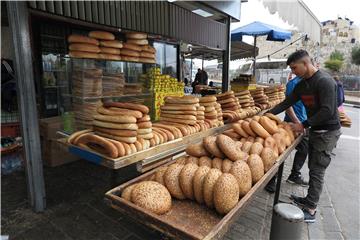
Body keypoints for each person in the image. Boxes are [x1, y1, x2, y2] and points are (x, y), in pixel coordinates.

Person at [268, 50, 341, 223]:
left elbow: (328, 111)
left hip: (327, 132)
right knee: (312, 165)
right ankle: (308, 200)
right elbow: (287, 103)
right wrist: (267, 114)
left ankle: (311, 209)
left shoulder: (324, 81)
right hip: (316, 130)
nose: (293, 72)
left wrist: (303, 125)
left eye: (294, 67)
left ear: (306, 64)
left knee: (317, 170)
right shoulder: (302, 84)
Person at [265, 73, 309, 193]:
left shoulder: (309, 83)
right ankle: (271, 180)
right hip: (291, 124)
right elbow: (287, 104)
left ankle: (294, 174)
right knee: (280, 152)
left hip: (303, 123)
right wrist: (297, 121)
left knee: (304, 149)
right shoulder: (293, 84)